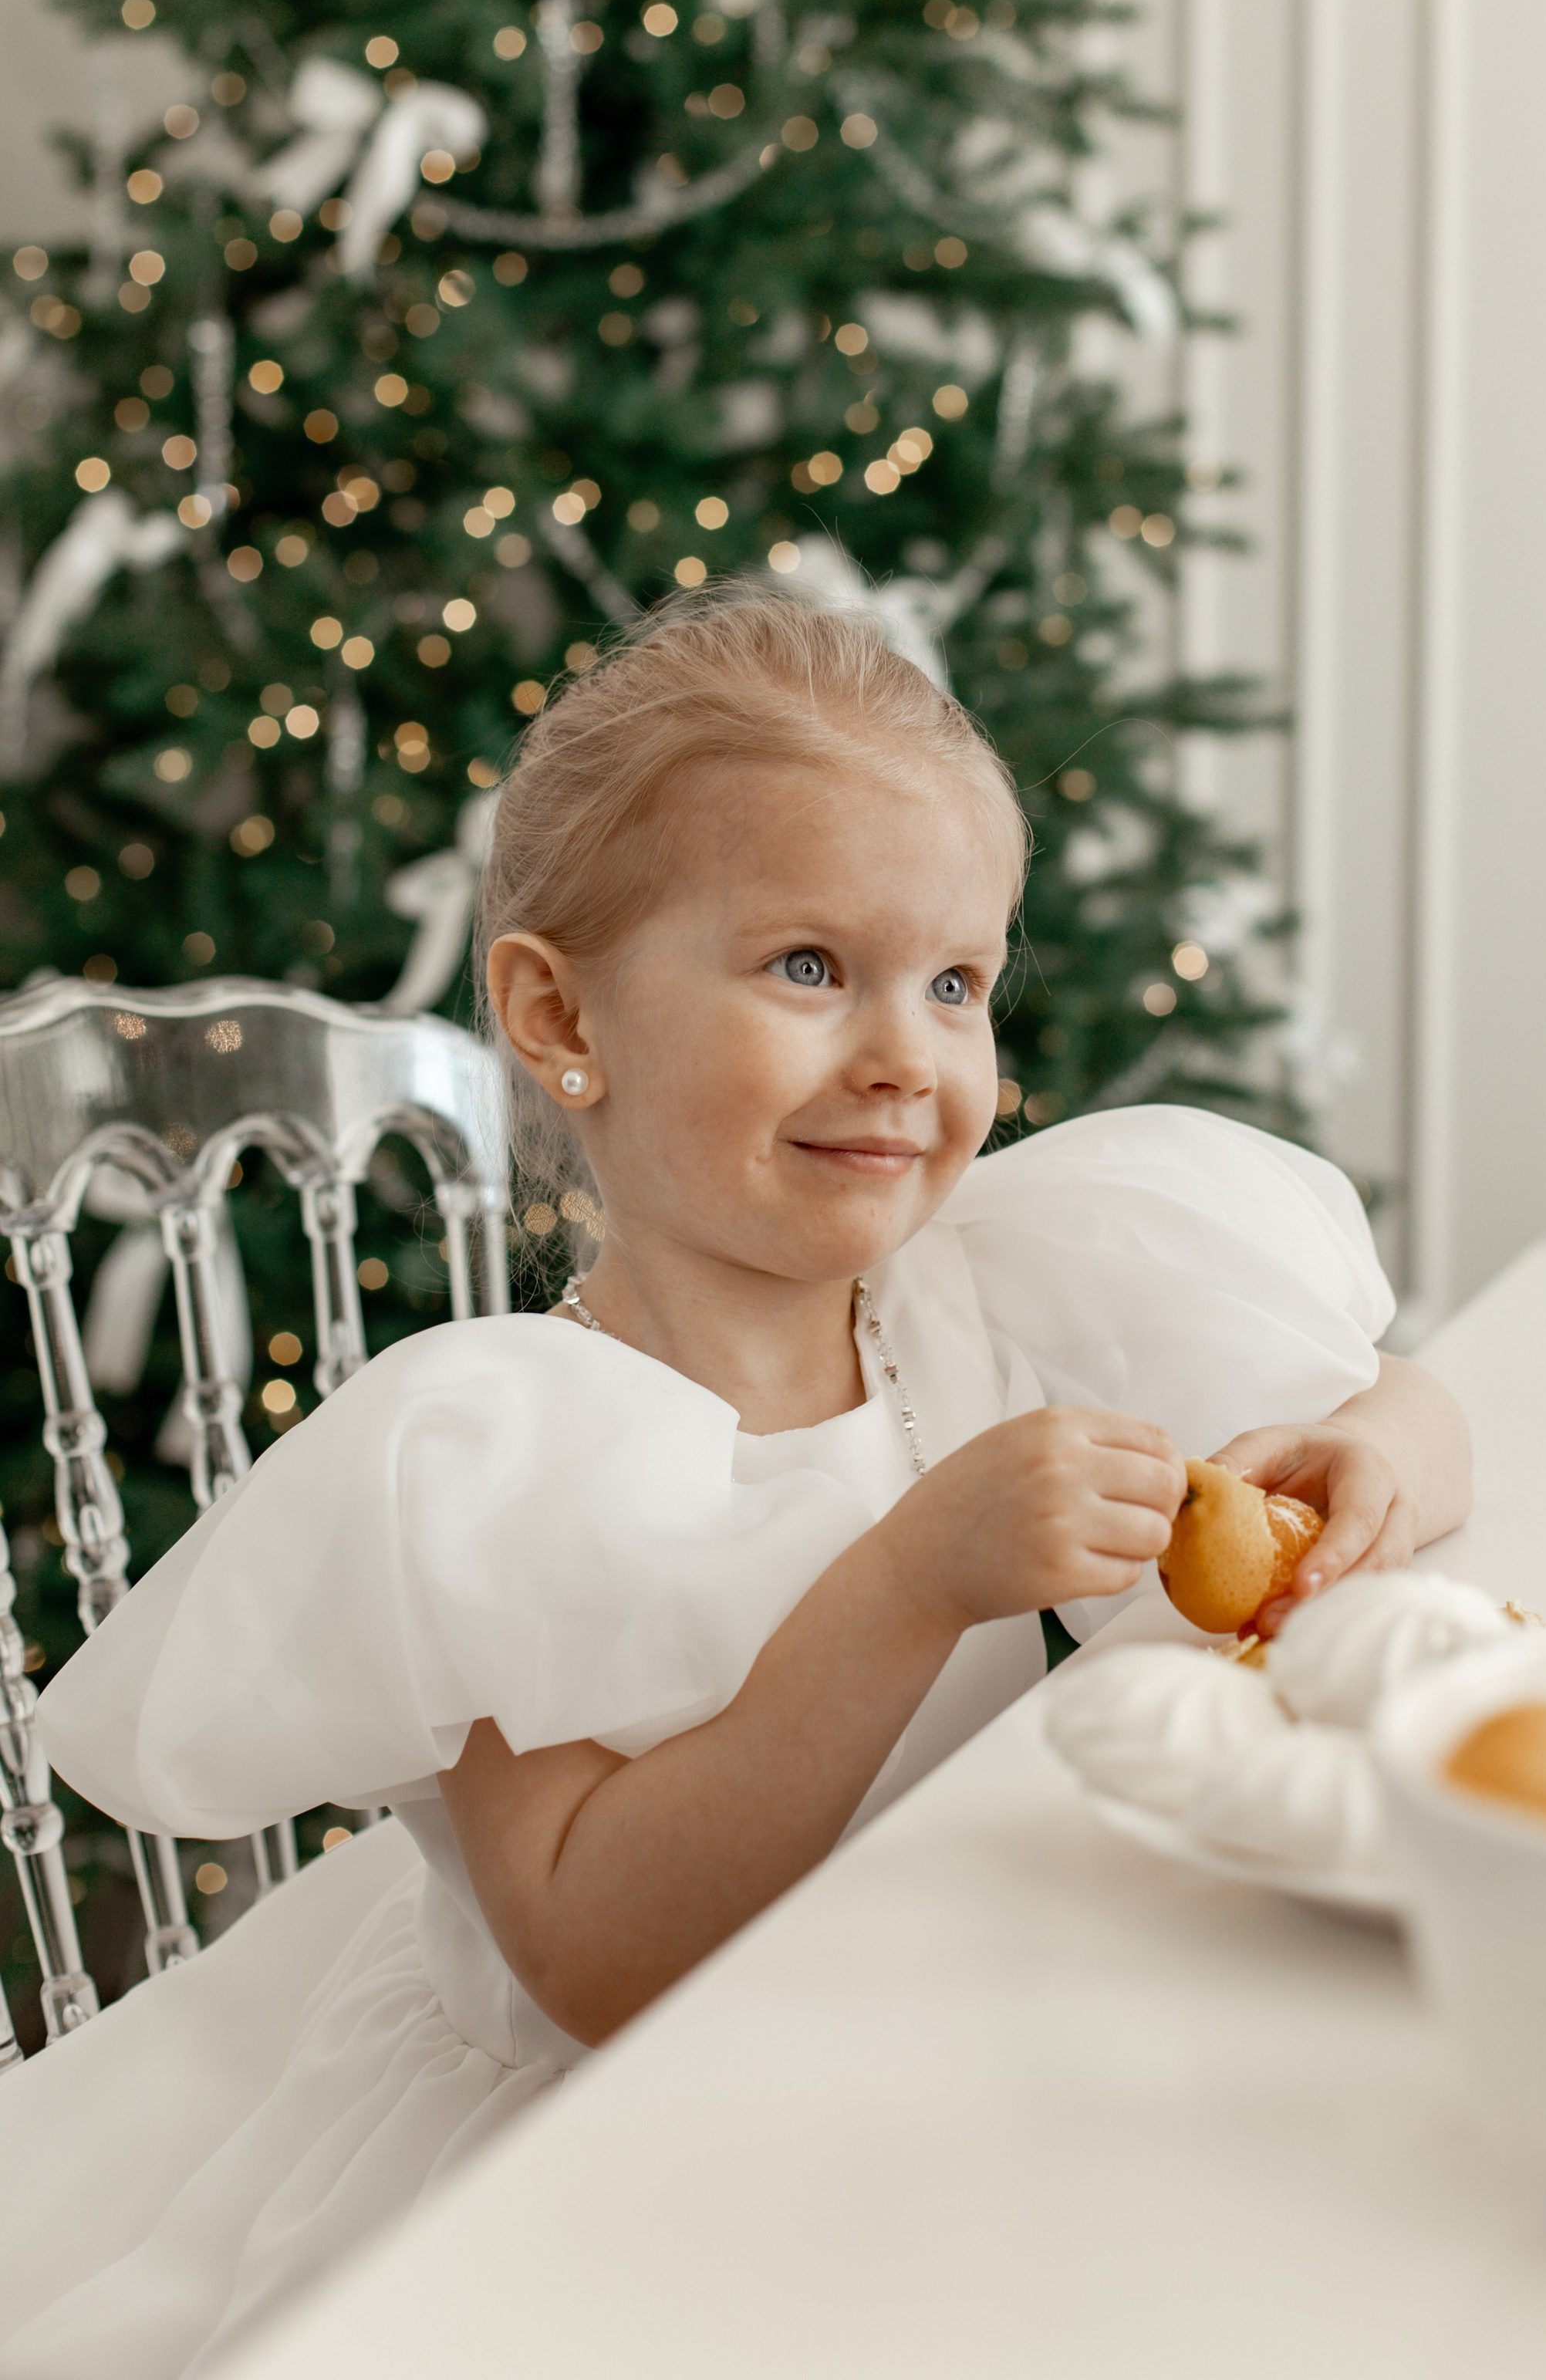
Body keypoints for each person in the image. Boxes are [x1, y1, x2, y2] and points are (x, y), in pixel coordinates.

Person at [0, 586, 1470, 2376]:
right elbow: (598, 1962)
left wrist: (1371, 1453)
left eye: (954, 983)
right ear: (560, 1015)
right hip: (612, 2165)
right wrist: (909, 1582)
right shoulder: (513, 1452)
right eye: (807, 967)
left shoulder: (990, 1299)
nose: (905, 1057)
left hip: (930, 2056)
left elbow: (1407, 1400)